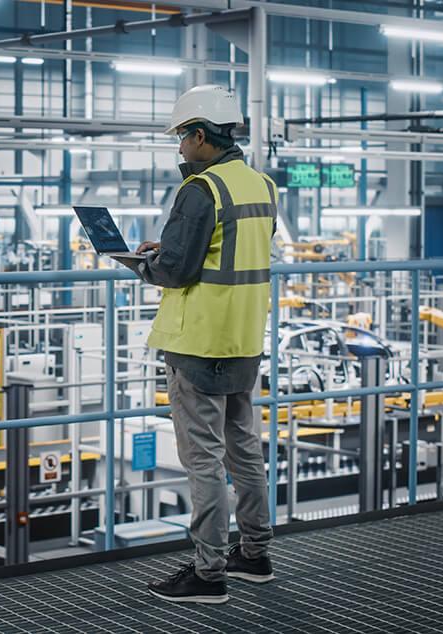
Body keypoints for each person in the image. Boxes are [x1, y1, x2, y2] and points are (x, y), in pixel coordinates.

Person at [137, 85, 278, 605]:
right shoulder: (260, 184)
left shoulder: (200, 190)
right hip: (243, 337)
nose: (179, 149)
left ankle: (208, 572)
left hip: (198, 342)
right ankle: (255, 555)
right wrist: (170, 248)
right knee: (245, 450)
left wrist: (148, 262)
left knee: (203, 459)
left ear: (200, 135)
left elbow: (176, 269)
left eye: (181, 137)